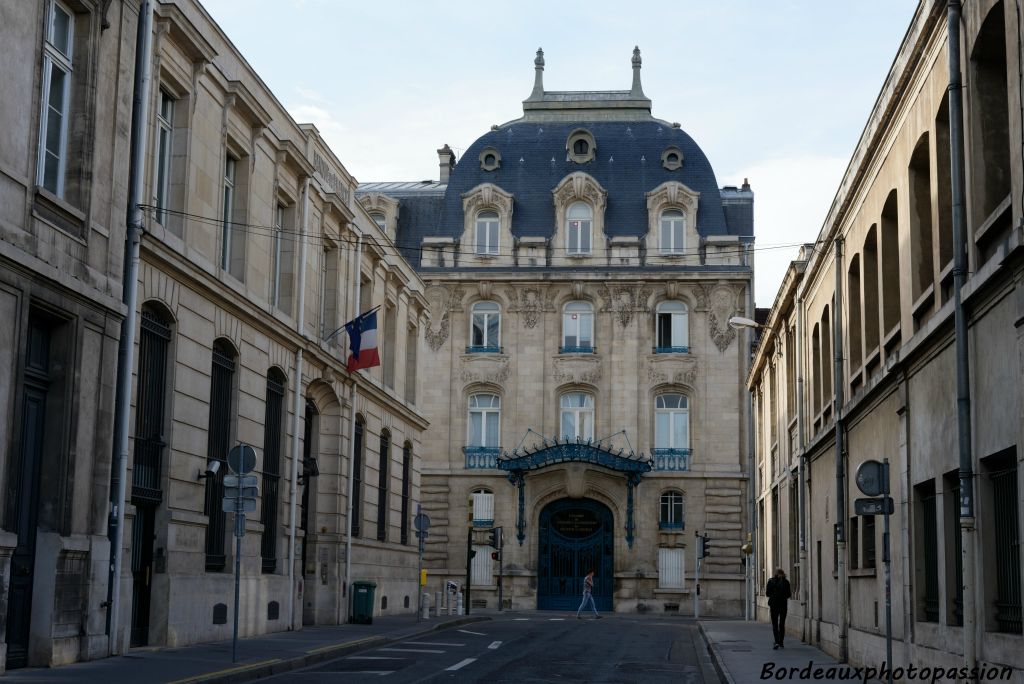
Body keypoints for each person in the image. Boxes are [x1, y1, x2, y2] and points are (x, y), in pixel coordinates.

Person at [765, 568, 792, 649]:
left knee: (775, 624)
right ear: (783, 574)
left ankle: (776, 641)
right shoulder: (786, 582)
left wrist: (774, 595)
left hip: (774, 605)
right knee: (782, 624)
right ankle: (781, 642)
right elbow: (789, 594)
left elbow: (767, 593)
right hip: (783, 605)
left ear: (775, 574)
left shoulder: (771, 581)